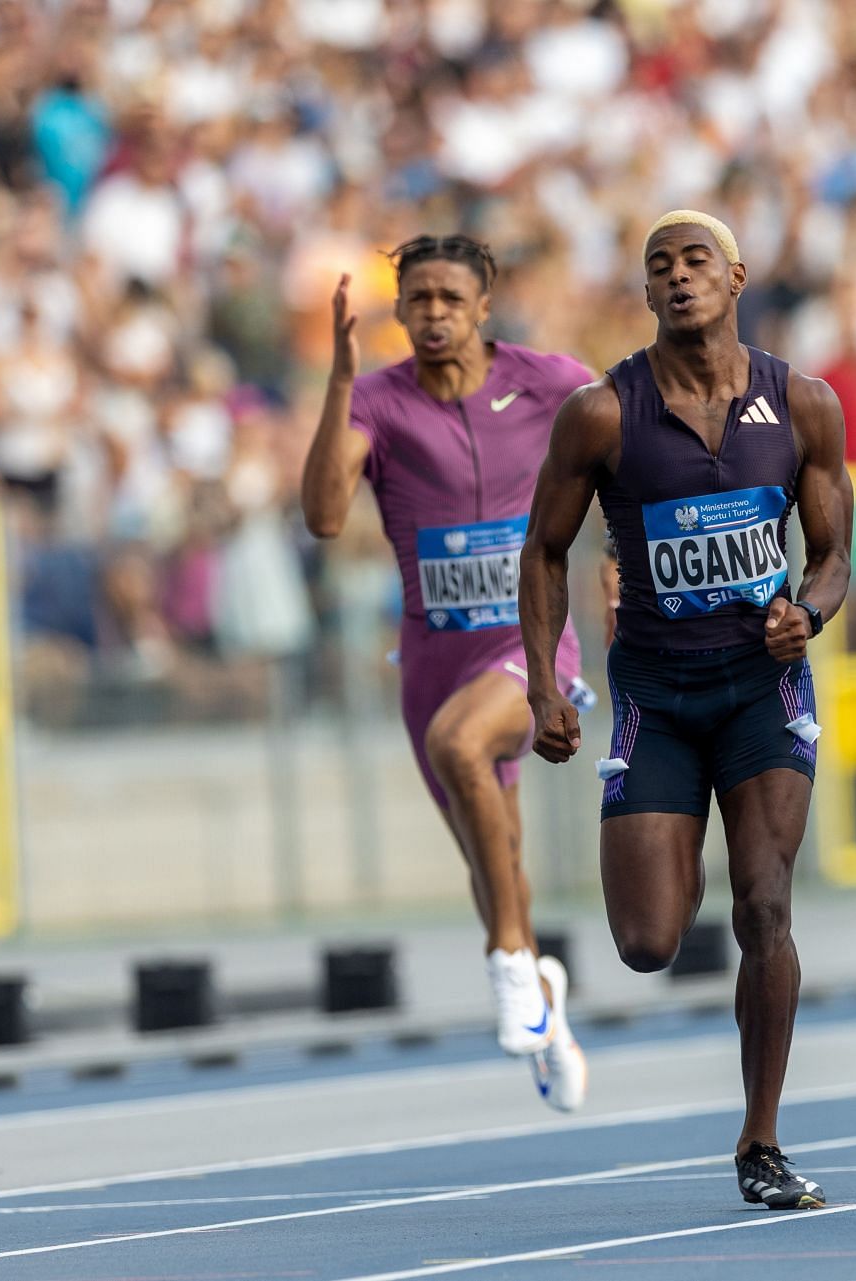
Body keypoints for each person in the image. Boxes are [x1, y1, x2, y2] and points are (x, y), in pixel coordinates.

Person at [520, 210, 852, 1210]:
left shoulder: (804, 403)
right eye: (658, 264)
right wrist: (543, 680)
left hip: (763, 688)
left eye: (695, 259)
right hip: (657, 699)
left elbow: (835, 556)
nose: (677, 276)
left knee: (765, 905)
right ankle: (674, 845)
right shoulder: (601, 414)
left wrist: (811, 611)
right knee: (649, 944)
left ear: (737, 275)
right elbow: (543, 550)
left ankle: (760, 1140)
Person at [301, 234, 594, 1113]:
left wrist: (617, 555)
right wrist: (342, 381)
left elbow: (629, 450)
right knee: (489, 841)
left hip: (530, 643)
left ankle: (508, 961)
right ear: (398, 310)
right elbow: (321, 514)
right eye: (416, 297)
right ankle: (543, 996)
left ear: (483, 308)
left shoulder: (548, 380)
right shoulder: (380, 401)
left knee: (460, 746)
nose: (432, 313)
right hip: (435, 654)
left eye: (448, 299)